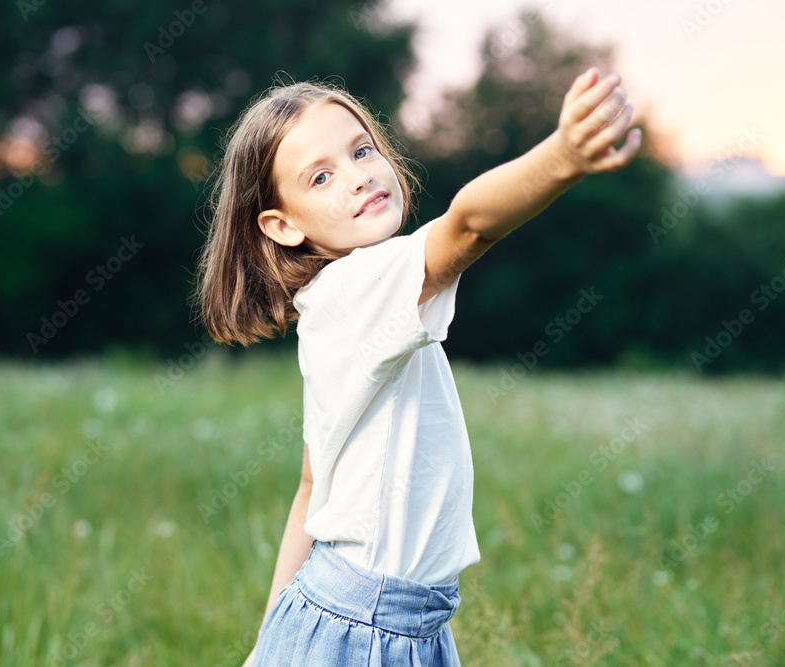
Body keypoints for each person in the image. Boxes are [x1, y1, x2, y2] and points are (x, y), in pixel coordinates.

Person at [192, 67, 640, 665]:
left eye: (361, 151)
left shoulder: (337, 303)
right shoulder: (357, 288)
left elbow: (312, 488)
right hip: (364, 628)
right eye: (321, 177)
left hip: (381, 621)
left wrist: (270, 641)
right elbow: (469, 225)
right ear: (283, 226)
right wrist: (560, 157)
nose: (357, 176)